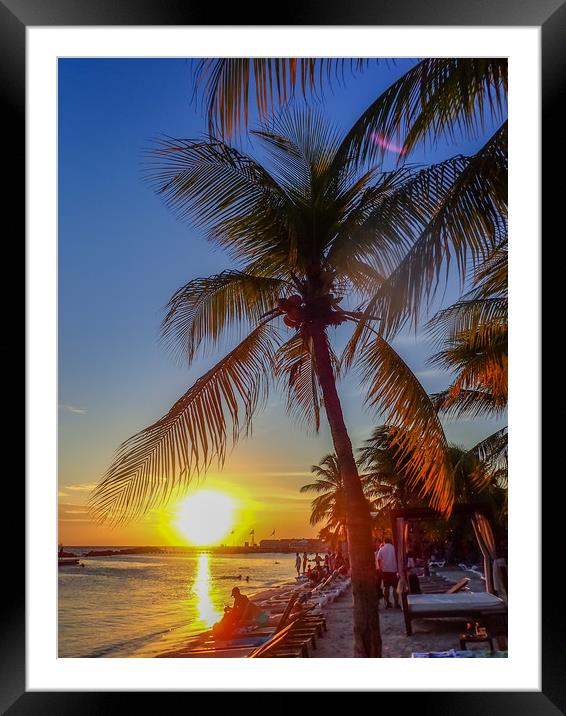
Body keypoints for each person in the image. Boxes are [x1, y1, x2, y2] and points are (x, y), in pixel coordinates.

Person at [376, 538, 399, 608]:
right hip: (394, 570)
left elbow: (378, 559)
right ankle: (396, 603)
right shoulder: (395, 548)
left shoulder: (382, 549)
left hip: (385, 570)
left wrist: (380, 568)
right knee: (395, 587)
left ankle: (387, 603)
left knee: (386, 587)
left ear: (384, 542)